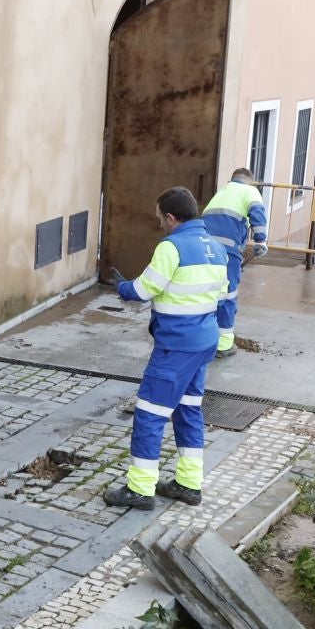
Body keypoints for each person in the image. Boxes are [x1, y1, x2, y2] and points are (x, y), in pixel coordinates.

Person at [104, 187, 230, 511]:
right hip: (204, 341)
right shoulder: (217, 249)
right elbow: (221, 293)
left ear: (172, 218)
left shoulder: (171, 247)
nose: (160, 224)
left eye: (161, 218)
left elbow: (145, 289)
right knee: (188, 410)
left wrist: (122, 286)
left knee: (149, 413)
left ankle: (140, 489)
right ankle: (189, 484)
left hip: (176, 346)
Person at [200, 166, 269, 359]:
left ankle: (203, 338)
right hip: (227, 252)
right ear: (250, 181)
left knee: (207, 292)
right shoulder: (249, 190)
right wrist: (261, 240)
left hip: (203, 249)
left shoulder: (221, 193)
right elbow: (257, 212)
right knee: (228, 296)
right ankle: (223, 345)